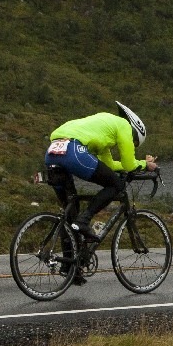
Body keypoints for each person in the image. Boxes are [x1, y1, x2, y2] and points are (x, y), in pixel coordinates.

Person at [41, 102, 156, 258]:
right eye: (134, 143)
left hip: (53, 151)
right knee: (116, 185)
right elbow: (129, 164)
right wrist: (145, 165)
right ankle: (86, 219)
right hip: (73, 150)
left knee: (71, 212)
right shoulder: (124, 125)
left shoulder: (104, 131)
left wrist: (138, 164)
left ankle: (70, 266)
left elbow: (109, 165)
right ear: (135, 131)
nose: (131, 145)